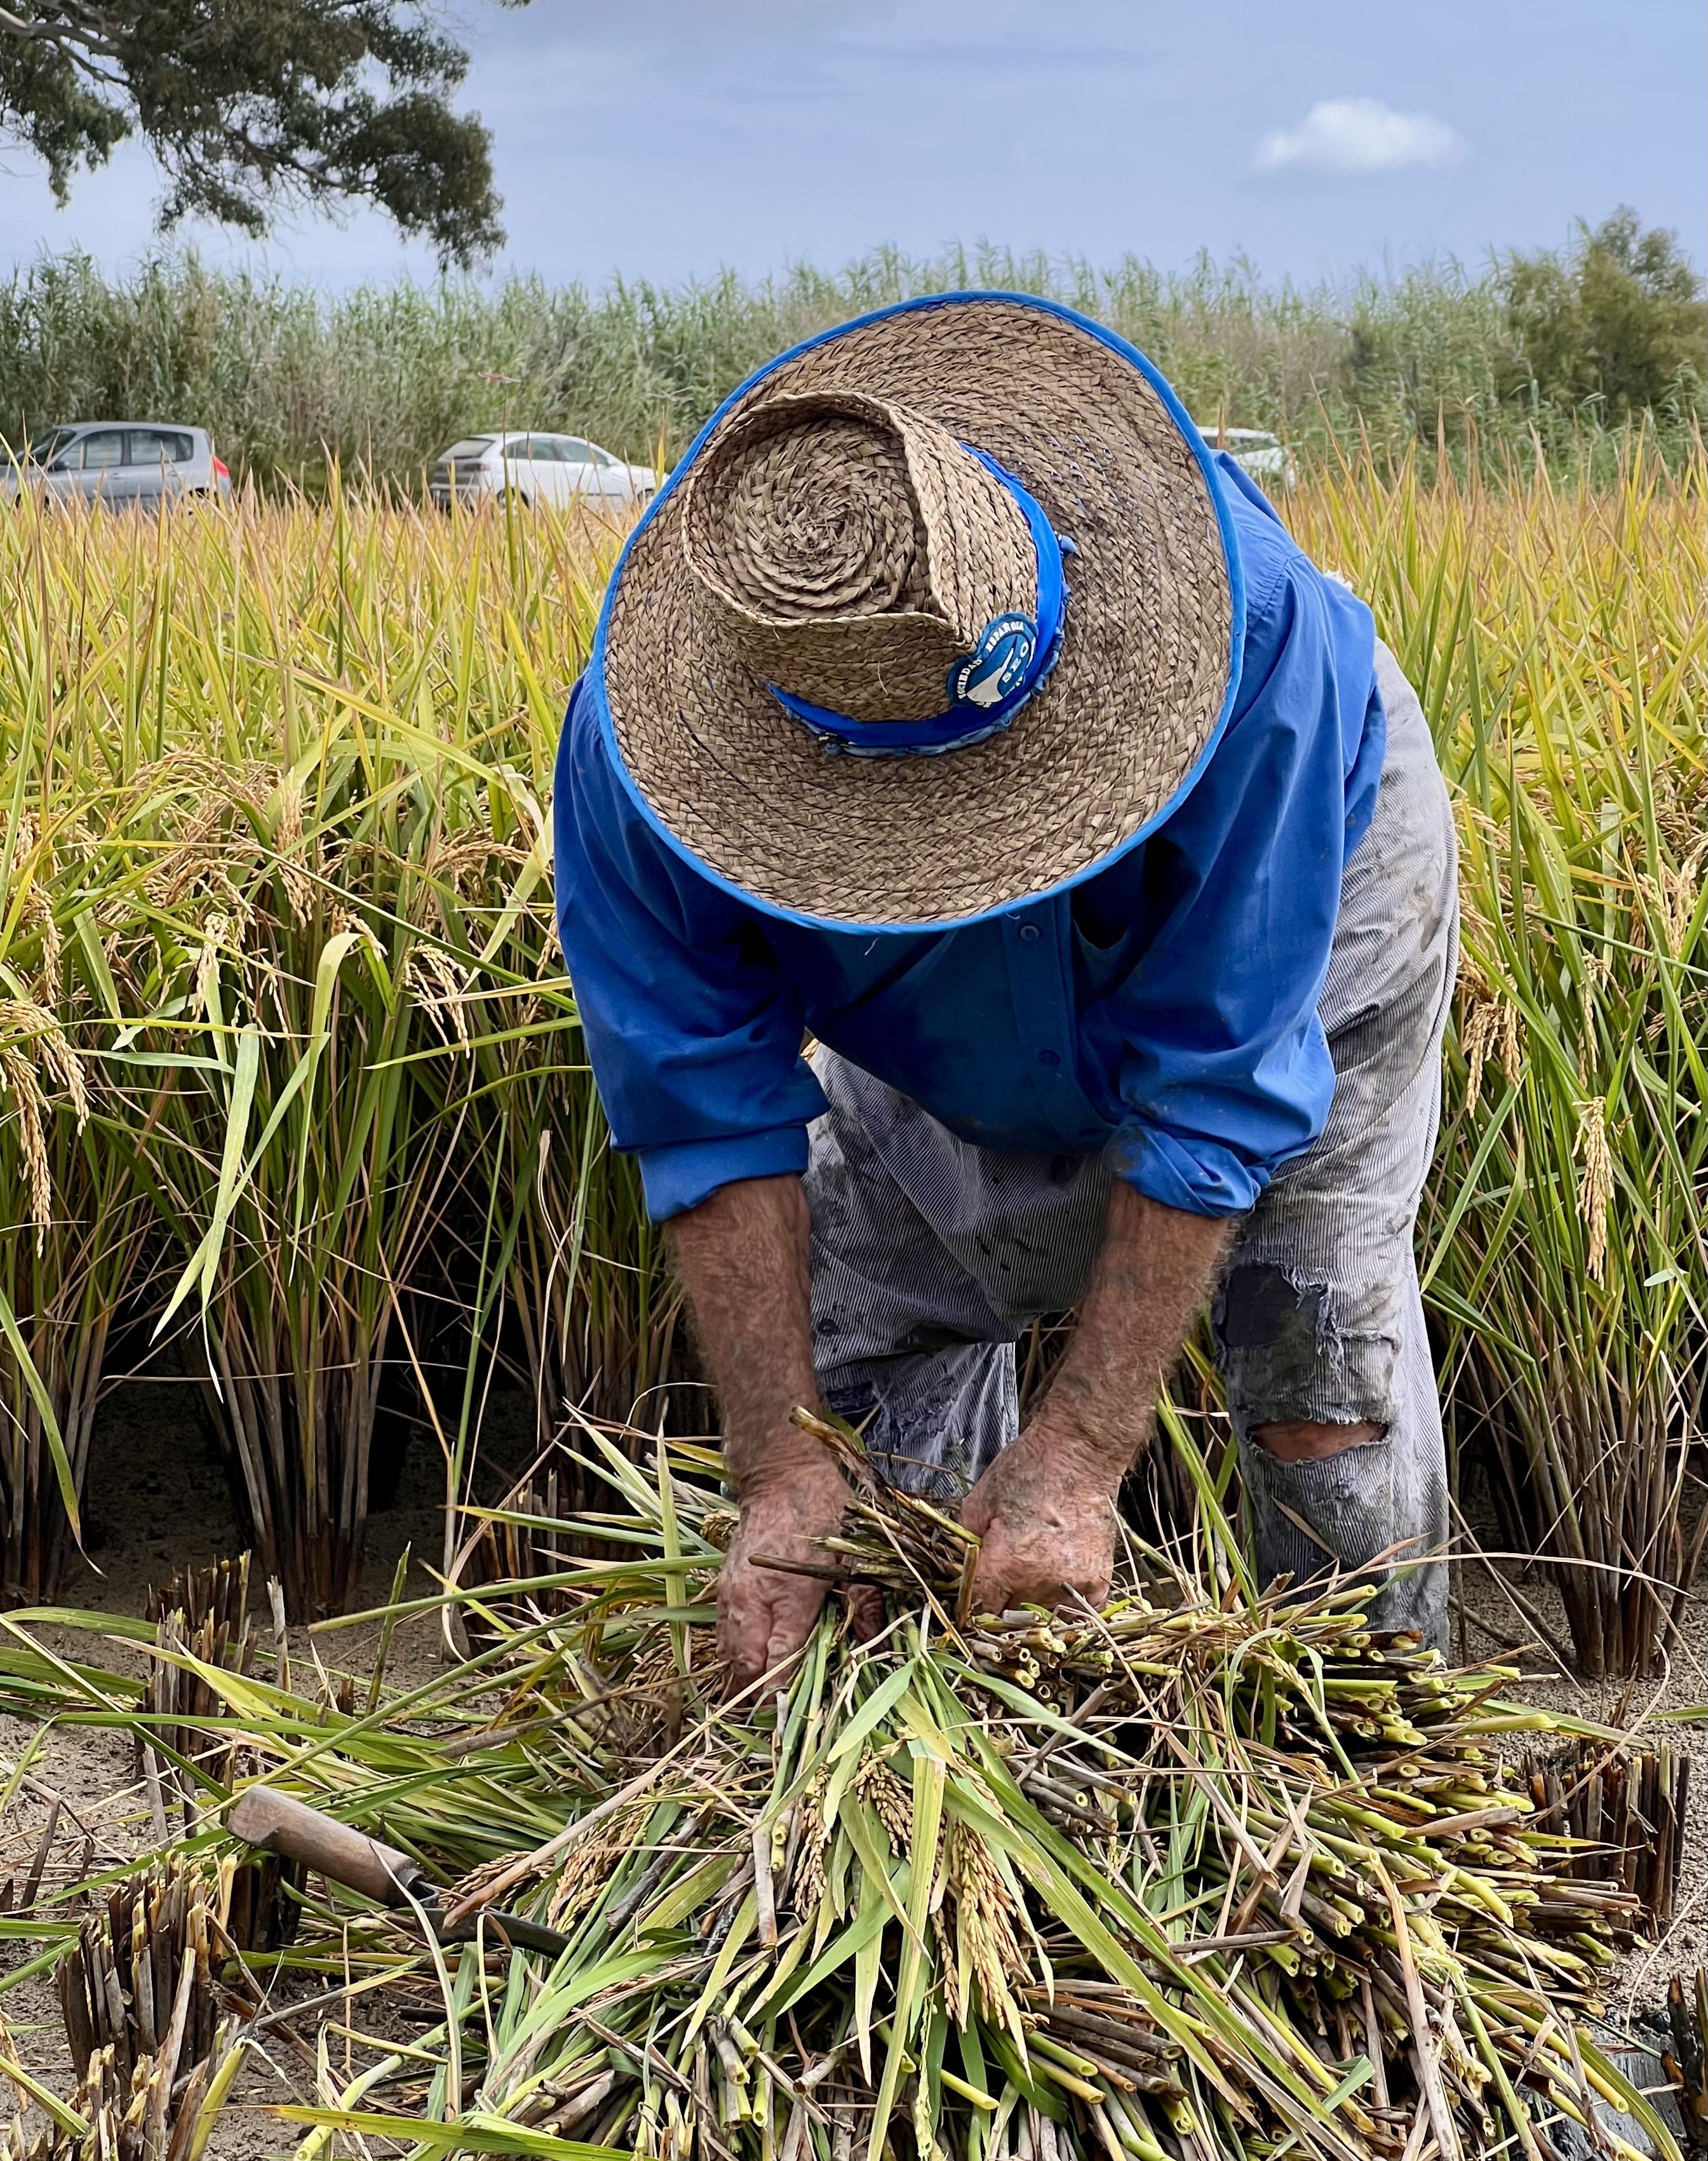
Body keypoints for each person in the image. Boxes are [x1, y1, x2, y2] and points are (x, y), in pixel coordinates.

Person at [552, 293, 1458, 1692]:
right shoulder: (649, 761)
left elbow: (1218, 1082)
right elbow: (702, 1109)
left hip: (1314, 892)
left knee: (1314, 1347)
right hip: (925, 1000)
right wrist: (782, 1469)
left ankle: (1376, 1741)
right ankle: (956, 1788)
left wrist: (1081, 1456)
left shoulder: (1261, 647)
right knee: (872, 1400)